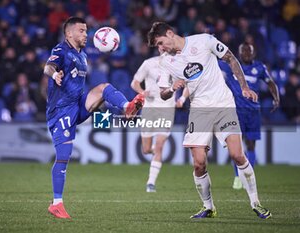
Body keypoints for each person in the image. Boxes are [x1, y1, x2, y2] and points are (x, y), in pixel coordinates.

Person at [147, 22, 272, 219]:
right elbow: (162, 93)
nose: (161, 49)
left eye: (161, 43)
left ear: (170, 33)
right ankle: (208, 207)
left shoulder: (204, 41)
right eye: (158, 47)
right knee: (199, 163)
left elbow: (230, 58)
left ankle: (256, 203)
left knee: (238, 155)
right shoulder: (166, 62)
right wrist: (172, 89)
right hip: (199, 110)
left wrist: (244, 87)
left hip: (223, 104)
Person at [44, 17, 144, 219]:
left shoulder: (82, 56)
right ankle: (56, 203)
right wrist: (54, 75)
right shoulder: (61, 50)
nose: (85, 34)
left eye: (86, 30)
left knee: (104, 88)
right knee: (64, 155)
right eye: (81, 30)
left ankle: (127, 107)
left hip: (77, 104)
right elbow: (48, 67)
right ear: (69, 33)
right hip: (60, 110)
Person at [219, 42, 280, 190]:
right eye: (243, 51)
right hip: (235, 112)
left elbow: (270, 82)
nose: (246, 54)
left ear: (254, 53)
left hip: (253, 113)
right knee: (236, 147)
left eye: (249, 51)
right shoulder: (231, 65)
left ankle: (248, 176)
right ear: (238, 53)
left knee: (251, 145)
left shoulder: (259, 67)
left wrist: (276, 97)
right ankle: (237, 177)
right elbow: (212, 60)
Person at [131, 54, 187, 193]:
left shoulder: (178, 64)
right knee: (146, 150)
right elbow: (134, 83)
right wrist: (142, 92)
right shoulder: (149, 63)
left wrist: (182, 99)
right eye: (161, 45)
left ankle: (151, 183)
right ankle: (154, 150)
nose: (164, 49)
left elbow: (188, 83)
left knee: (160, 145)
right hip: (149, 108)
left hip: (167, 109)